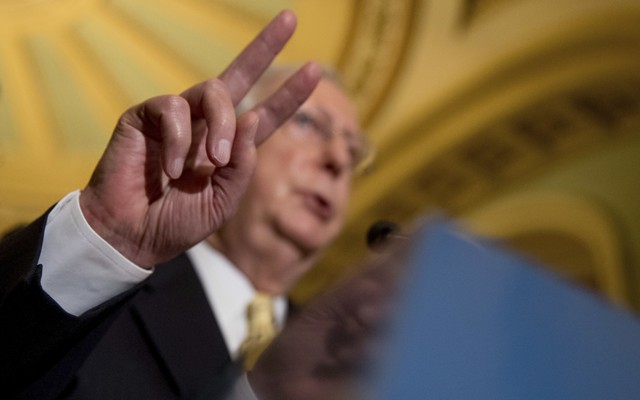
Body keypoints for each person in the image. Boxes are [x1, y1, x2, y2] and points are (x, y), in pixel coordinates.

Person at [0, 9, 398, 400]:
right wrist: (111, 236)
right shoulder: (98, 286)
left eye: (352, 150)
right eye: (309, 124)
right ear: (225, 139)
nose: (337, 160)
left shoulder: (344, 363)